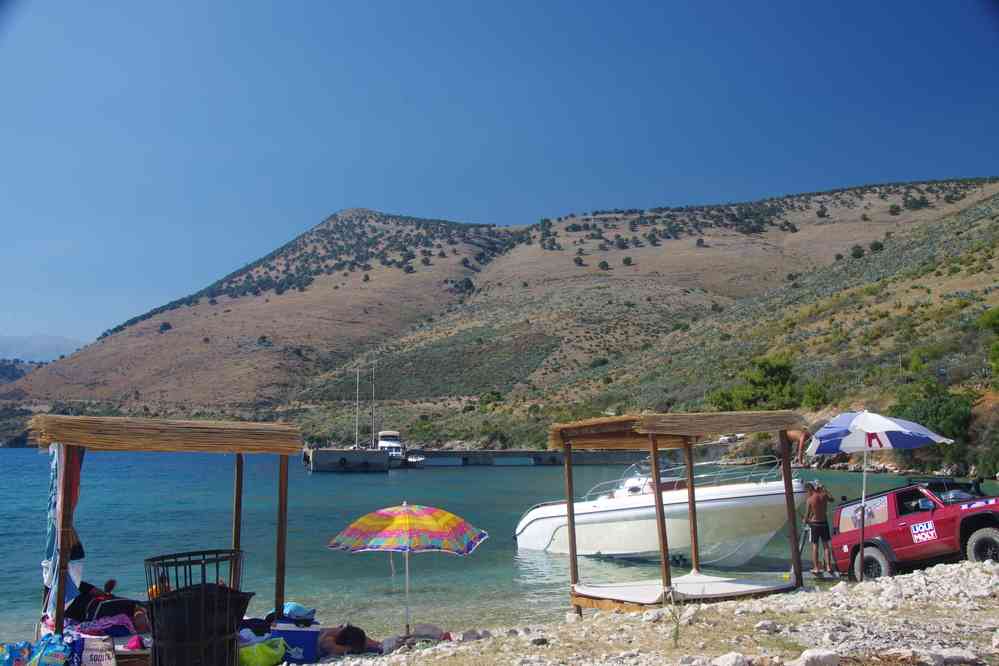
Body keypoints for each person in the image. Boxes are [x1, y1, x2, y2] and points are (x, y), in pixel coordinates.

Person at [804, 480, 836, 576]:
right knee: (826, 546)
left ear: (811, 489)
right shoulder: (824, 496)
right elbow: (832, 499)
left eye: (807, 490)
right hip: (824, 523)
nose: (807, 492)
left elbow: (807, 515)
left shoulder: (810, 500)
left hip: (815, 524)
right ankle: (829, 567)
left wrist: (806, 520)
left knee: (815, 546)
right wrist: (825, 490)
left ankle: (816, 568)